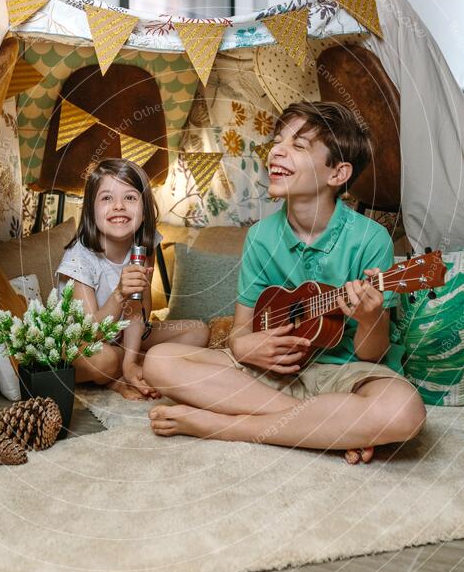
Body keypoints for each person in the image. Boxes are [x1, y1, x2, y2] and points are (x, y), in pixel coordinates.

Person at [144, 101, 426, 464]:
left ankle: (222, 425)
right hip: (272, 376)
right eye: (278, 141)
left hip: (345, 372)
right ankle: (323, 424)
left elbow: (373, 353)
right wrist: (247, 349)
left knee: (404, 411)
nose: (277, 150)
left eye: (298, 145)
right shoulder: (261, 237)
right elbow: (240, 334)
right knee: (158, 361)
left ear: (338, 174)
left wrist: (370, 317)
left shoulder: (372, 240)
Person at [56, 158, 209, 399]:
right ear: (90, 209)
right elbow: (89, 333)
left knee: (198, 332)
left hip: (126, 335)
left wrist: (128, 359)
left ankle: (131, 366)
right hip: (82, 343)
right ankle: (122, 374)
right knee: (103, 359)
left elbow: (142, 312)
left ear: (144, 207)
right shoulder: (79, 258)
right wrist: (119, 294)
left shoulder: (144, 245)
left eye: (130, 197)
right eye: (107, 198)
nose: (118, 206)